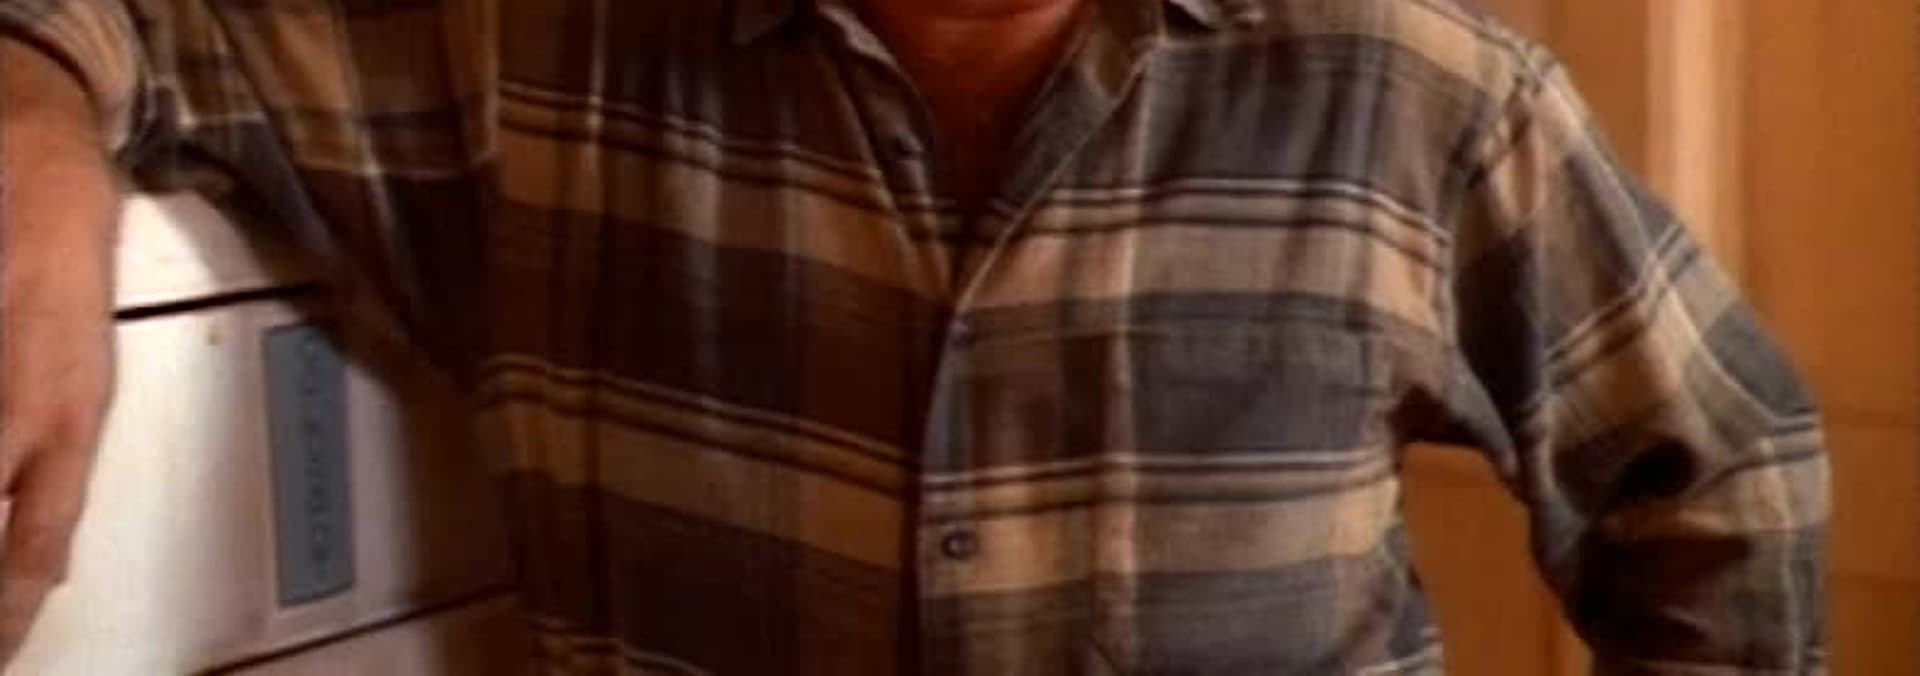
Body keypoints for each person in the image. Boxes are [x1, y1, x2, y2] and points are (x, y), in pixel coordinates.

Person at [0, 0, 1829, 673]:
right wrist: (32, 138)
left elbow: (1720, 464)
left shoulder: (1416, 89)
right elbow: (131, 24)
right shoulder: (530, 55)